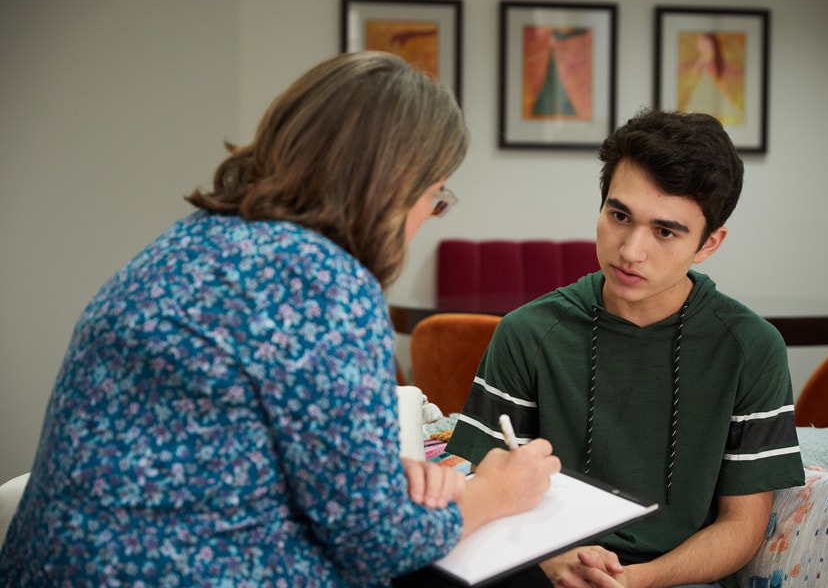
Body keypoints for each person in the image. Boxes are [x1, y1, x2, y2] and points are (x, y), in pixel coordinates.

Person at [0, 51, 560, 587]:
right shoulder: (324, 284)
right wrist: (493, 492)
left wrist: (381, 485)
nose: (427, 218)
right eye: (434, 196)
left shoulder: (184, 242)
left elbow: (235, 448)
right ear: (392, 187)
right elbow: (377, 542)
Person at [447, 109, 805, 588]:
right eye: (619, 216)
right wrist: (557, 560)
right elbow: (486, 491)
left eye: (665, 231)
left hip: (678, 579)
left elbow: (742, 525)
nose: (631, 251)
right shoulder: (527, 333)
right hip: (541, 571)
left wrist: (639, 580)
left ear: (709, 243)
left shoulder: (751, 348)